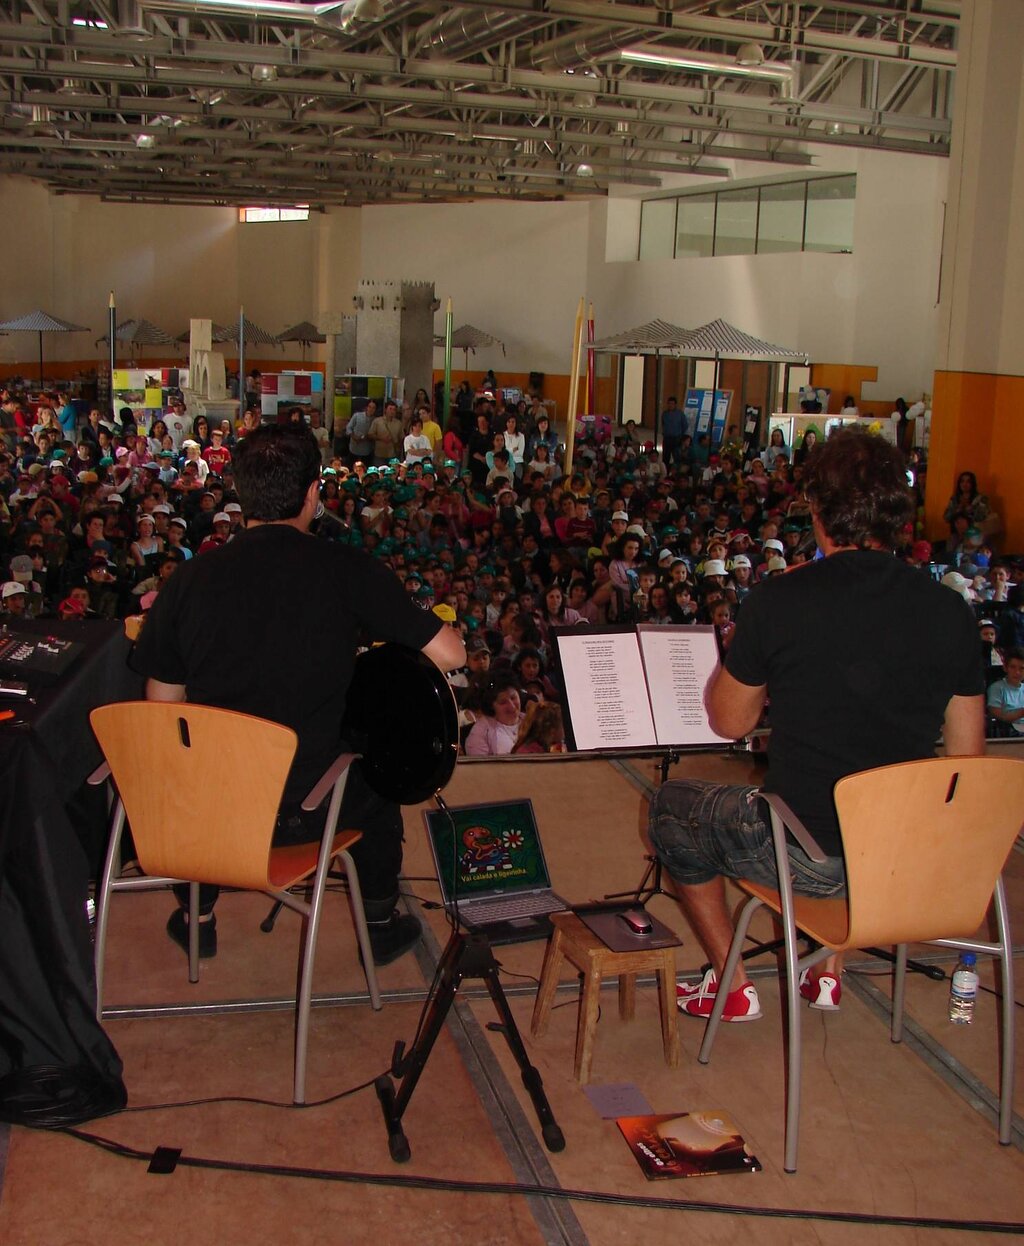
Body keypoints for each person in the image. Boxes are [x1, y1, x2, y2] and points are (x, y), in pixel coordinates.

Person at [648, 428, 984, 1022]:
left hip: (810, 857)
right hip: (905, 858)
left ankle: (731, 982)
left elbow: (728, 722)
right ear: (899, 516)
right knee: (865, 789)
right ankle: (829, 969)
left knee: (672, 806)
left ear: (820, 511)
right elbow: (967, 762)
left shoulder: (782, 600)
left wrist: (744, 655)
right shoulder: (950, 611)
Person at [131, 425, 466, 965]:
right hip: (308, 811)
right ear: (315, 492)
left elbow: (161, 703)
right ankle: (378, 924)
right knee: (379, 779)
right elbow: (452, 655)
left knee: (196, 758)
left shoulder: (190, 579)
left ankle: (199, 915)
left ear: (239, 492)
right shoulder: (348, 570)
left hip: (208, 810)